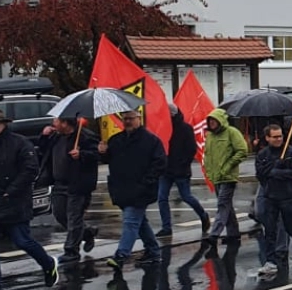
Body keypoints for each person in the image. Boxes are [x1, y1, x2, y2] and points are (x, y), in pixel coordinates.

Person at [100, 108, 167, 269]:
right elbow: (109, 160)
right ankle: (153, 251)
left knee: (130, 222)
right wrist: (103, 152)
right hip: (122, 189)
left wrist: (146, 181)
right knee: (140, 223)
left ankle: (121, 256)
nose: (128, 122)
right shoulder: (116, 140)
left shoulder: (151, 141)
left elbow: (160, 163)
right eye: (125, 119)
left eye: (131, 118)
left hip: (140, 190)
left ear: (139, 119)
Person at [39, 116, 99, 262]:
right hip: (59, 183)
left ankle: (71, 251)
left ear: (65, 123)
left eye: (56, 121)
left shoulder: (85, 137)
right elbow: (43, 151)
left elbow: (96, 155)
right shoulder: (55, 137)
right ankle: (87, 232)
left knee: (74, 217)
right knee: (60, 215)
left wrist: (82, 155)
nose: (53, 124)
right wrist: (44, 137)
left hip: (77, 184)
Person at [252, 124, 292, 274]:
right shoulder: (263, 154)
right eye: (275, 137)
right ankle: (270, 261)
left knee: (286, 225)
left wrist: (276, 172)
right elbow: (260, 173)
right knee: (269, 227)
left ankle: (284, 251)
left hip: (287, 195)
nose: (279, 139)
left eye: (280, 136)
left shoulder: (291, 151)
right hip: (270, 194)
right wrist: (271, 173)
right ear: (267, 138)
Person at [157, 107, 209, 239]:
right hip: (165, 170)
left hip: (180, 170)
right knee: (162, 197)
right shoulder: (162, 127)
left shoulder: (185, 128)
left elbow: (191, 149)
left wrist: (183, 163)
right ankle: (166, 227)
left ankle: (203, 215)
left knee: (186, 196)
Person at [201, 109, 249, 247]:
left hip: (228, 177)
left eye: (214, 120)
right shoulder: (210, 136)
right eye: (210, 120)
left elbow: (242, 150)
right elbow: (208, 154)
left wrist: (228, 167)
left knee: (222, 204)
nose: (211, 123)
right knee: (227, 206)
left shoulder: (232, 132)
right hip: (216, 176)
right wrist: (209, 171)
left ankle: (214, 234)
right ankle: (233, 234)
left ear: (220, 120)